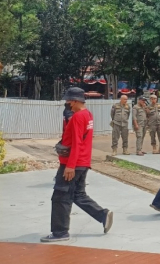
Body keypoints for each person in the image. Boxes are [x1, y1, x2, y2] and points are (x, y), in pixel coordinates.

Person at [41, 87, 113, 242]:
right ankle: (103, 215)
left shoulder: (77, 117)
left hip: (73, 164)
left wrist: (70, 166)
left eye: (68, 101)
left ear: (74, 100)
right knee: (78, 194)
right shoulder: (87, 115)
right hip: (83, 162)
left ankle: (60, 232)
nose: (67, 104)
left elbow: (76, 143)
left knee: (60, 196)